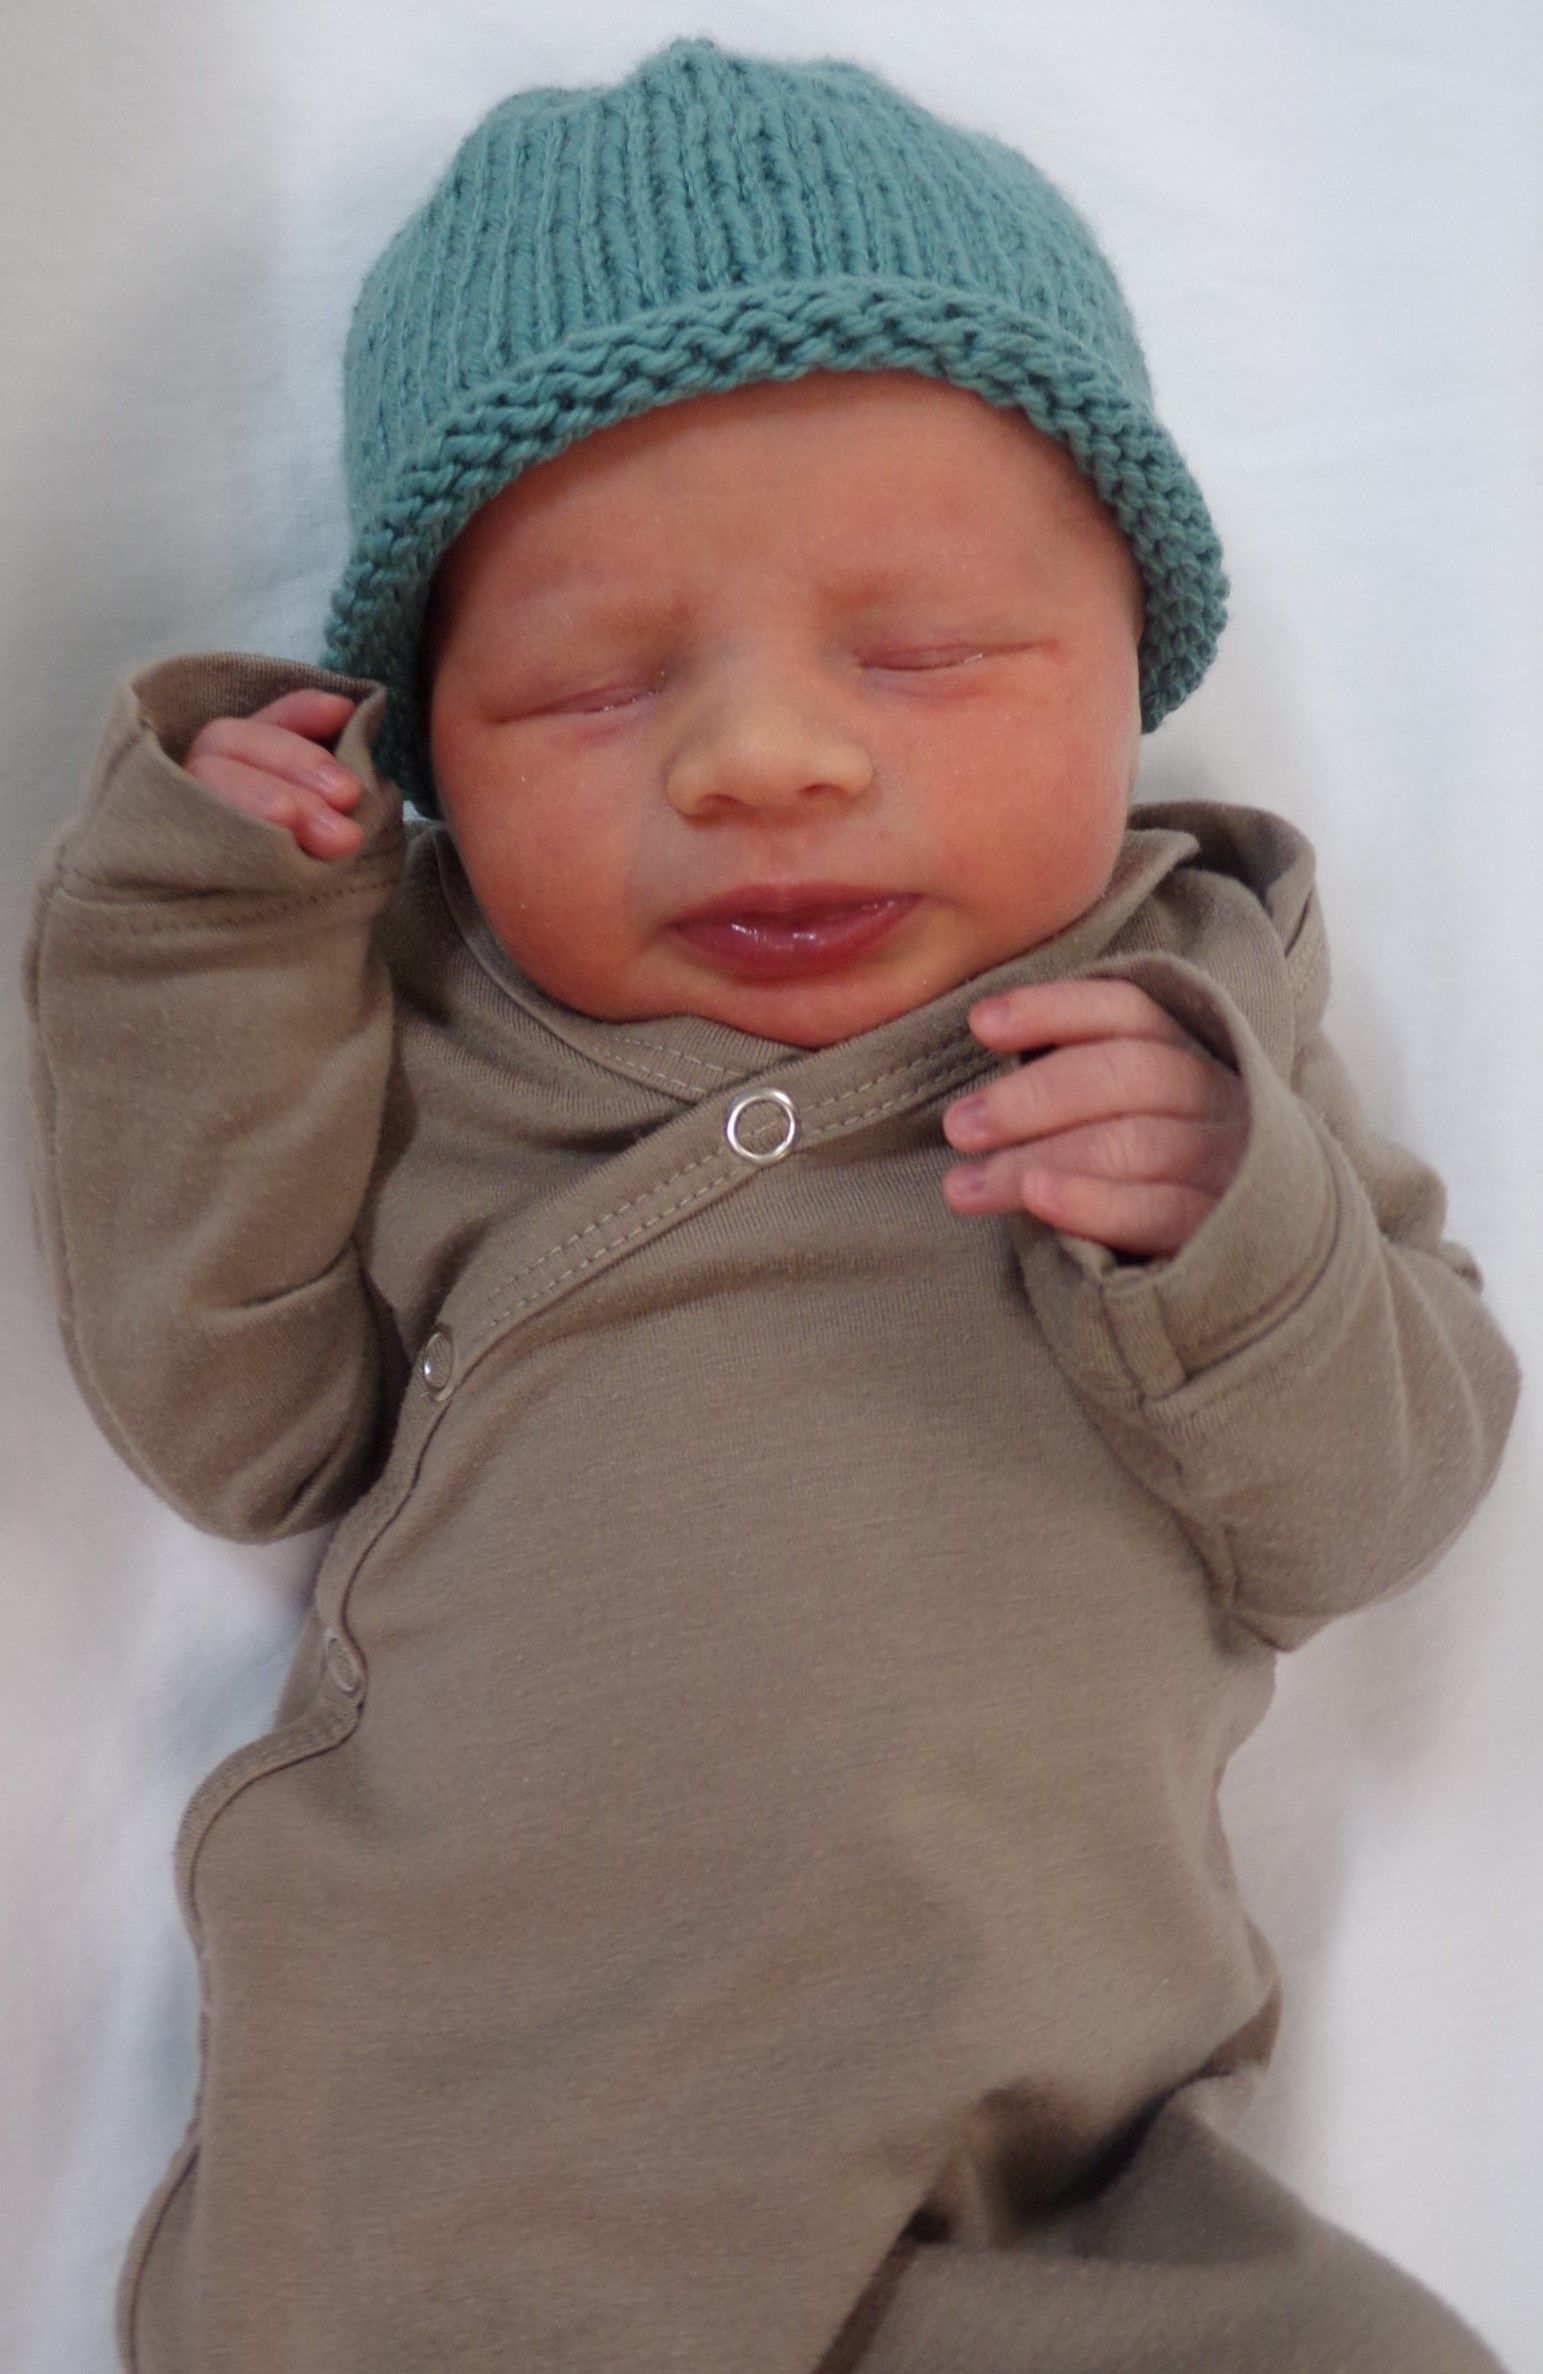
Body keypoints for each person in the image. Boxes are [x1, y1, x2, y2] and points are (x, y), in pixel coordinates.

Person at [19, 34, 1522, 2374]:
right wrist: (219, 939)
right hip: (485, 2155)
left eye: (921, 655)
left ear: (1133, 668)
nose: (762, 757)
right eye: (586, 690)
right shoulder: (437, 1021)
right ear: (429, 753)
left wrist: (1244, 1229)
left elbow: (1370, 1506)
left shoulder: (1193, 1011)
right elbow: (236, 1418)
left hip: (1059, 2179)